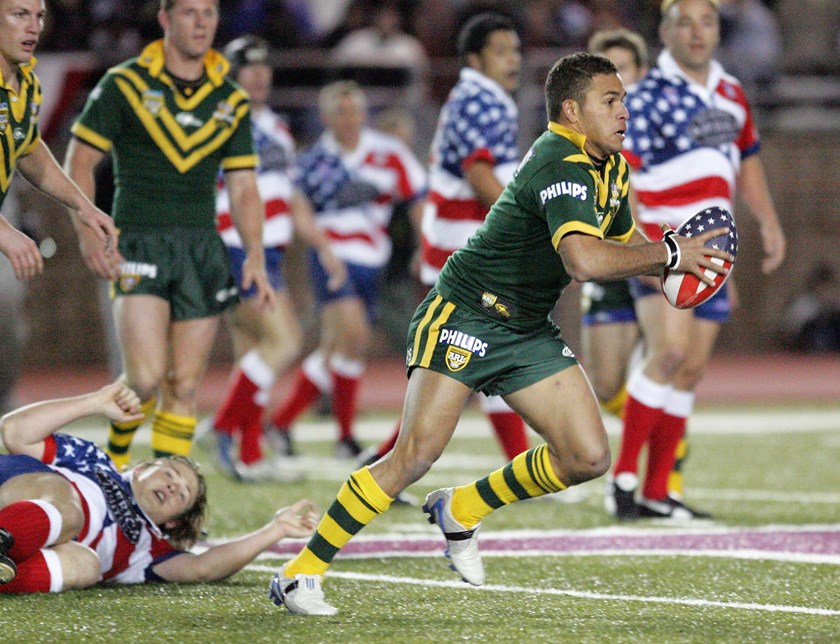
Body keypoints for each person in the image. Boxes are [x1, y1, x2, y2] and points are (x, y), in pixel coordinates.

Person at [266, 51, 734, 616]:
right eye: (610, 101)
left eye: (624, 101)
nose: (623, 111)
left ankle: (462, 508)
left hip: (527, 326)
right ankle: (301, 572)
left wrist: (666, 260)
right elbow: (584, 260)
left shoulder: (610, 165)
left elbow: (620, 232)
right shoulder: (558, 159)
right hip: (466, 312)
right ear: (572, 110)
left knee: (586, 456)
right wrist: (669, 254)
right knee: (413, 456)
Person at [63, 0, 274, 471]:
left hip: (202, 248)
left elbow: (243, 186)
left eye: (209, 14)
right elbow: (78, 160)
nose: (201, 24)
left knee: (184, 385)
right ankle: (112, 472)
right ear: (165, 20)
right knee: (145, 378)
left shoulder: (231, 98)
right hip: (138, 241)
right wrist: (87, 229)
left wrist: (255, 255)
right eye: (189, 13)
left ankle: (169, 511)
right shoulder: (124, 83)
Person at [606, 0, 786, 521]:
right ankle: (623, 481)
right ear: (664, 31)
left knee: (689, 370)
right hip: (669, 246)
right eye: (684, 21)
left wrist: (769, 221)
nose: (697, 31)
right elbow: (626, 172)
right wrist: (640, 241)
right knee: (667, 356)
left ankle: (660, 491)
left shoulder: (731, 91)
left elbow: (747, 158)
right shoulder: (646, 95)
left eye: (706, 21)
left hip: (716, 252)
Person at [361, 13, 531, 476]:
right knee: (485, 359)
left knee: (466, 365)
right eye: (501, 51)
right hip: (466, 252)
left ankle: (382, 458)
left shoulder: (480, 97)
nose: (513, 59)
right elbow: (479, 176)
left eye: (515, 50)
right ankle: (518, 465)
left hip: (457, 247)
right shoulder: (482, 99)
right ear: (475, 59)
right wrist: (533, 220)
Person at [0, 382, 319, 592]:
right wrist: (94, 402)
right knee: (70, 509)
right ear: (139, 468)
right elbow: (15, 432)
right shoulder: (96, 461)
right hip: (19, 492)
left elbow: (203, 568)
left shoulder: (148, 549)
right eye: (170, 473)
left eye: (182, 494)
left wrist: (274, 530)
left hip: (32, 548)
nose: (173, 486)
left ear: (172, 522)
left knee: (86, 566)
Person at [208, 35, 346, 482]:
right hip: (235, 245)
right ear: (230, 73)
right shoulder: (220, 119)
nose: (260, 74)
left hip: (267, 249)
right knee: (283, 342)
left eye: (265, 66)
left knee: (252, 350)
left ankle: (249, 454)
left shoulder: (279, 128)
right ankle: (224, 427)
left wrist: (322, 245)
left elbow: (290, 196)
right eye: (248, 66)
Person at [264, 80, 426, 460]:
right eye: (341, 112)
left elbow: (419, 198)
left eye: (355, 110)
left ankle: (282, 424)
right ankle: (345, 435)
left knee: (339, 348)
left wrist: (425, 245)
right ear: (325, 117)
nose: (350, 119)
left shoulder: (388, 153)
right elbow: (299, 210)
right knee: (352, 337)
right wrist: (322, 248)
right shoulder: (312, 160)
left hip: (374, 261)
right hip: (332, 258)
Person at [0, 0, 117, 282]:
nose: (33, 27)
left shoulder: (26, 84)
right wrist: (3, 231)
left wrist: (83, 205)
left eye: (39, 16)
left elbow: (28, 148)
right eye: (20, 15)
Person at [578, 28, 649, 419]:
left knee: (667, 364)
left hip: (654, 253)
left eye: (623, 69)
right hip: (611, 258)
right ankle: (662, 439)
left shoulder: (660, 127)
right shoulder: (577, 132)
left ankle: (663, 465)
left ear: (642, 72)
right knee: (606, 385)